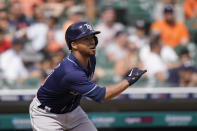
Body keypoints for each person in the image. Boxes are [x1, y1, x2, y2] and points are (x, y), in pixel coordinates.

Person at [29, 21, 147, 131]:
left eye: (92, 37)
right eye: (86, 39)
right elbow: (101, 95)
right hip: (47, 114)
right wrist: (129, 80)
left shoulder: (90, 58)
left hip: (73, 111)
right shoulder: (70, 71)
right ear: (74, 45)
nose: (92, 41)